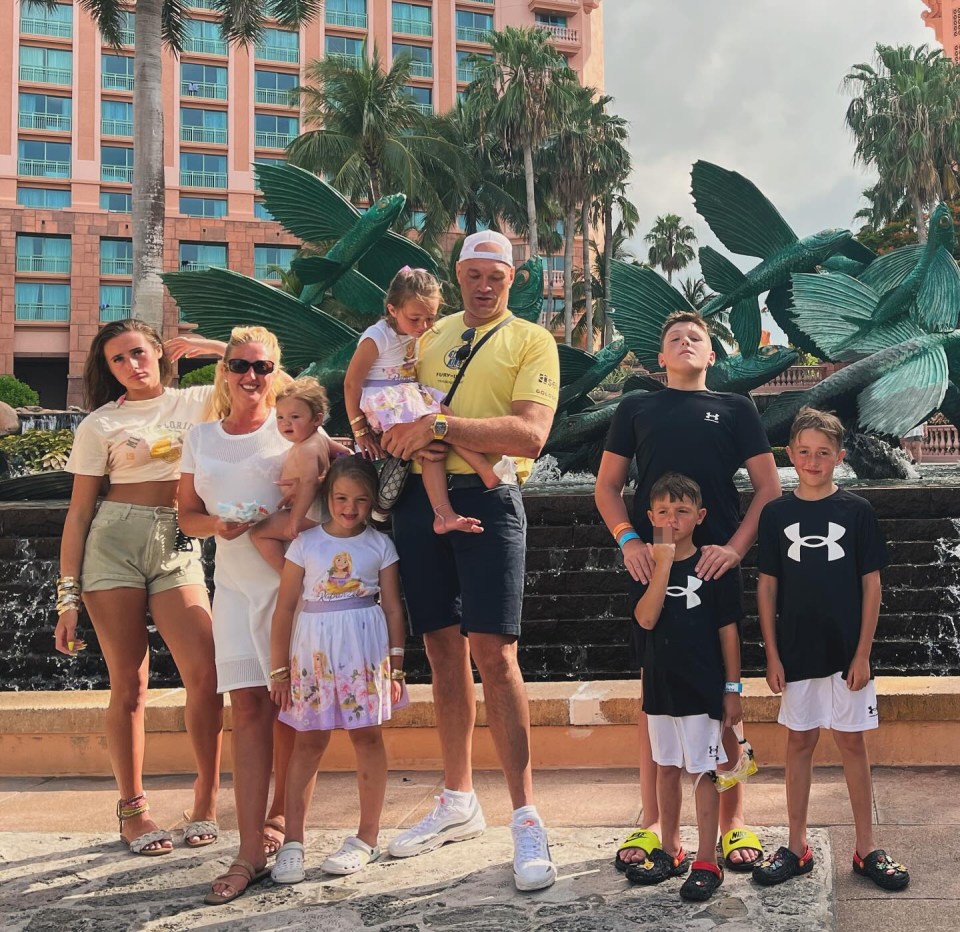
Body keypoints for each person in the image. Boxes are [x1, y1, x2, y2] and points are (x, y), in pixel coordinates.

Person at [379, 230, 561, 891]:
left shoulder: (531, 341)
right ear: (458, 276)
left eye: (498, 277)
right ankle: (458, 799)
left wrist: (441, 426)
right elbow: (387, 396)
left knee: (495, 652)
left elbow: (532, 434)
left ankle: (526, 816)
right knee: (441, 648)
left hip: (490, 496)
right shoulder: (425, 333)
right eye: (475, 274)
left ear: (511, 281)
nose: (485, 285)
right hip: (420, 503)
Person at [595, 310, 780, 872]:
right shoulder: (636, 406)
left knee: (726, 686)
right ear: (659, 357)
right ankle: (652, 820)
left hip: (715, 564)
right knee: (657, 686)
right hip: (651, 563)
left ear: (711, 355)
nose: (683, 342)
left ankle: (733, 821)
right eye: (673, 337)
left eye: (695, 337)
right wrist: (629, 540)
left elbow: (768, 487)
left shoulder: (736, 409)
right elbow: (607, 487)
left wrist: (736, 548)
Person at [55, 319, 225, 856]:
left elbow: (276, 379)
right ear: (109, 371)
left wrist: (214, 347)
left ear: (159, 352)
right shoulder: (100, 425)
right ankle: (133, 810)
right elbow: (79, 513)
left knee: (206, 671)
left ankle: (205, 800)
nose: (132, 365)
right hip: (114, 543)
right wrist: (66, 599)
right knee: (129, 685)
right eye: (117, 360)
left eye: (138, 352)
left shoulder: (198, 400)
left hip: (177, 540)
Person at [752, 407, 910, 891]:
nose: (813, 461)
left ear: (840, 457)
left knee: (851, 743)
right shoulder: (776, 514)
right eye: (804, 452)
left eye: (823, 453)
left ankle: (865, 848)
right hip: (797, 653)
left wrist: (863, 653)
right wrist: (772, 655)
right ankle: (796, 845)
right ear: (790, 455)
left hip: (847, 654)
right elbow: (766, 588)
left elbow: (872, 586)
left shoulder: (857, 511)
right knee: (799, 742)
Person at [179, 326, 309, 904]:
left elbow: (332, 511)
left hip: (292, 589)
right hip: (232, 588)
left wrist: (268, 524)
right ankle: (250, 849)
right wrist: (219, 526)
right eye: (239, 366)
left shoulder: (295, 433)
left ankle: (286, 826)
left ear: (275, 371)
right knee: (250, 709)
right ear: (224, 372)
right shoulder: (200, 437)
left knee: (291, 709)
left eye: (261, 367)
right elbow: (186, 515)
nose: (250, 377)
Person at [268, 456, 407, 883]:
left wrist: (398, 664)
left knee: (367, 737)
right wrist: (278, 670)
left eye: (361, 501)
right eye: (342, 498)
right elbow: (286, 606)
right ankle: (293, 841)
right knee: (307, 742)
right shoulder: (306, 545)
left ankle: (367, 837)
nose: (351, 508)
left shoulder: (380, 545)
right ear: (328, 497)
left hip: (364, 653)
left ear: (373, 504)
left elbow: (392, 604)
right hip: (313, 655)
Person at [624, 473, 742, 902]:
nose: (672, 519)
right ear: (651, 517)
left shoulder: (715, 569)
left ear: (700, 516)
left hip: (703, 687)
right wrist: (662, 563)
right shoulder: (642, 567)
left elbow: (729, 632)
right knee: (667, 768)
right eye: (664, 512)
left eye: (682, 512)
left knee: (705, 773)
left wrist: (733, 688)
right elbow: (648, 619)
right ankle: (671, 848)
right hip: (661, 689)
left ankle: (707, 858)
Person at [344, 266, 501, 534]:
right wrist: (359, 430)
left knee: (446, 417)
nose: (424, 326)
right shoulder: (377, 336)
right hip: (386, 401)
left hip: (408, 393)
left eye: (430, 318)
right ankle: (444, 512)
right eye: (415, 319)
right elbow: (351, 382)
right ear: (393, 309)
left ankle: (485, 470)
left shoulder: (418, 333)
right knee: (432, 451)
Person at [250, 377, 334, 574]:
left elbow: (309, 483)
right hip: (313, 510)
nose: (286, 423)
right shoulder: (319, 439)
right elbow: (344, 454)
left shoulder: (307, 449)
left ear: (317, 419)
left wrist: (295, 519)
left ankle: (287, 574)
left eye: (295, 417)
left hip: (309, 513)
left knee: (259, 532)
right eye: (280, 417)